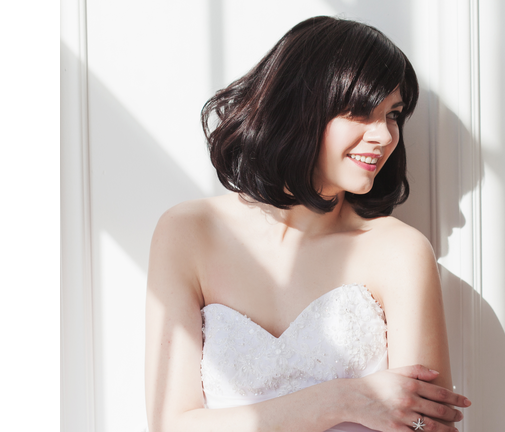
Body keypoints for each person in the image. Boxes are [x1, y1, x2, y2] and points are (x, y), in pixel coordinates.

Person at [145, 16, 470, 432]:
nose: (386, 136)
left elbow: (429, 425)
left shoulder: (399, 252)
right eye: (360, 112)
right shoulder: (188, 233)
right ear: (298, 108)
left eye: (393, 115)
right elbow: (170, 425)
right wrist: (344, 398)